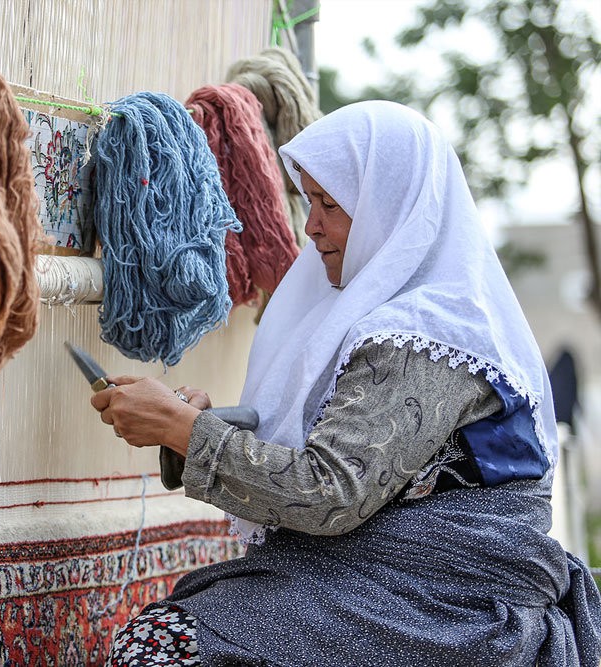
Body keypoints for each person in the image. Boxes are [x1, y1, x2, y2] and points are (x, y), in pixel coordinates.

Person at [90, 100, 601, 666]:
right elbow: (334, 454)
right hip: (379, 579)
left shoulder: (430, 335)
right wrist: (194, 426)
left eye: (329, 204)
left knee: (166, 647)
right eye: (309, 201)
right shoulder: (371, 316)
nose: (310, 226)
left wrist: (184, 429)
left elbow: (331, 492)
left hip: (445, 605)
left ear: (387, 208)